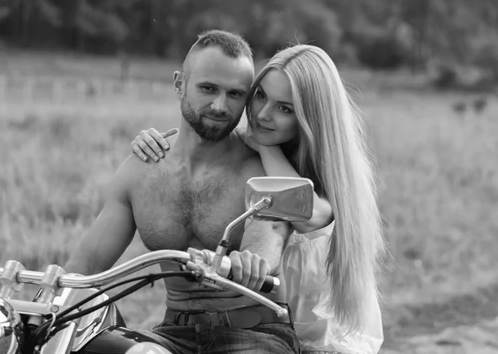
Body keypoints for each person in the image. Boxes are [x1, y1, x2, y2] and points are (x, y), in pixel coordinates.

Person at [131, 43, 386, 353]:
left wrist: (265, 147)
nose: (263, 114)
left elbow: (306, 214)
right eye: (261, 96)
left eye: (285, 108)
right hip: (267, 331)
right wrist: (153, 143)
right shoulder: (248, 155)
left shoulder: (324, 179)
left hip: (328, 341)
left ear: (311, 117)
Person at [65, 30, 300, 353]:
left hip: (255, 335)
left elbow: (268, 237)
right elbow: (86, 266)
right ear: (179, 84)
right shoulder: (140, 170)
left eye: (235, 94)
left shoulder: (261, 170)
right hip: (174, 333)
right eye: (207, 89)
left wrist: (251, 263)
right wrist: (37, 309)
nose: (220, 105)